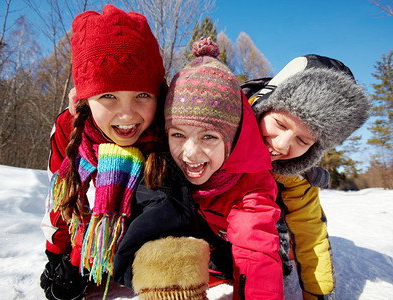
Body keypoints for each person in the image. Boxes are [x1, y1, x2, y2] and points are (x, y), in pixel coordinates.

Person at [113, 37, 283, 300]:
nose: (190, 153)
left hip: (229, 255)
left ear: (231, 140)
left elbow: (256, 252)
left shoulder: (250, 184)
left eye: (208, 137)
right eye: (178, 135)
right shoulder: (162, 165)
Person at [39, 5, 166, 300]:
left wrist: (83, 262)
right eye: (108, 95)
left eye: (142, 95)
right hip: (81, 244)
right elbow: (61, 200)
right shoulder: (70, 129)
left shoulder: (167, 139)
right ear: (85, 96)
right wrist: (57, 253)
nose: (127, 114)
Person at [241, 54, 371, 299]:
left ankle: (276, 244)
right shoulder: (217, 136)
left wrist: (319, 295)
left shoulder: (296, 176)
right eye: (280, 124)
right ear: (263, 105)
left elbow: (311, 236)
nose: (281, 145)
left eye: (302, 140)